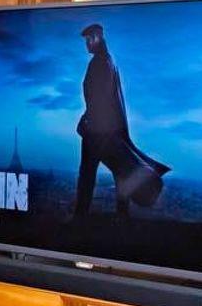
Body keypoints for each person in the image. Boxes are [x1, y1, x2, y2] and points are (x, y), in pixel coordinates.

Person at [72, 22, 169, 216]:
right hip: (107, 130)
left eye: (90, 39)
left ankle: (81, 217)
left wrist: (85, 121)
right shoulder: (108, 61)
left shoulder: (100, 63)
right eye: (86, 40)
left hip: (97, 131)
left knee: (88, 174)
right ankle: (121, 215)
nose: (87, 44)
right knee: (118, 169)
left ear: (98, 38)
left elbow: (99, 99)